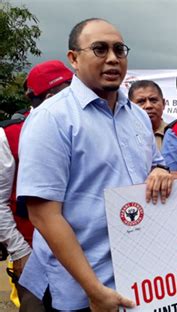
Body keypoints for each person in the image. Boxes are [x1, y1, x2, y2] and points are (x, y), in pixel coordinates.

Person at [16, 18, 173, 311]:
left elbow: (156, 164)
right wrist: (94, 290)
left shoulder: (137, 117)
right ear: (73, 59)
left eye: (119, 50)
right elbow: (44, 216)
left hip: (134, 280)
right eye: (99, 49)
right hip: (78, 293)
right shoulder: (52, 118)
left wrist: (160, 172)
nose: (113, 58)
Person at [0, 60, 73, 310]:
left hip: (82, 250)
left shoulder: (83, 127)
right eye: (69, 91)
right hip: (33, 252)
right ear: (51, 96)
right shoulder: (8, 135)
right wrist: (19, 251)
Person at [128, 80, 167, 150]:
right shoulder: (123, 135)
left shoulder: (176, 133)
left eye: (153, 100)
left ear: (163, 104)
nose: (148, 106)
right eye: (141, 101)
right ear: (129, 107)